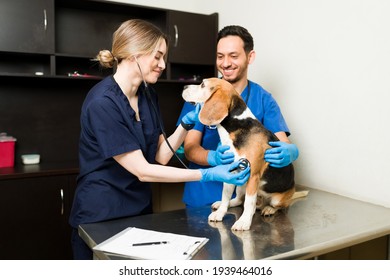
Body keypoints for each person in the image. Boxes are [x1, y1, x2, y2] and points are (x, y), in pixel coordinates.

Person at [69, 19, 250, 260]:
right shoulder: (103, 103)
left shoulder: (146, 93)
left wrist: (186, 124)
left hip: (140, 212)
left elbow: (161, 156)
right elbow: (143, 171)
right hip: (101, 215)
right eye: (157, 56)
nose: (162, 64)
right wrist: (209, 173)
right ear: (134, 54)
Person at [177, 25, 299, 208]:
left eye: (233, 56)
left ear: (250, 57)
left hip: (247, 202)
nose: (225, 63)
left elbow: (281, 142)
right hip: (203, 197)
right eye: (220, 56)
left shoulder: (263, 99)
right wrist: (213, 158)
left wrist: (289, 152)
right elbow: (189, 148)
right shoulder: (202, 95)